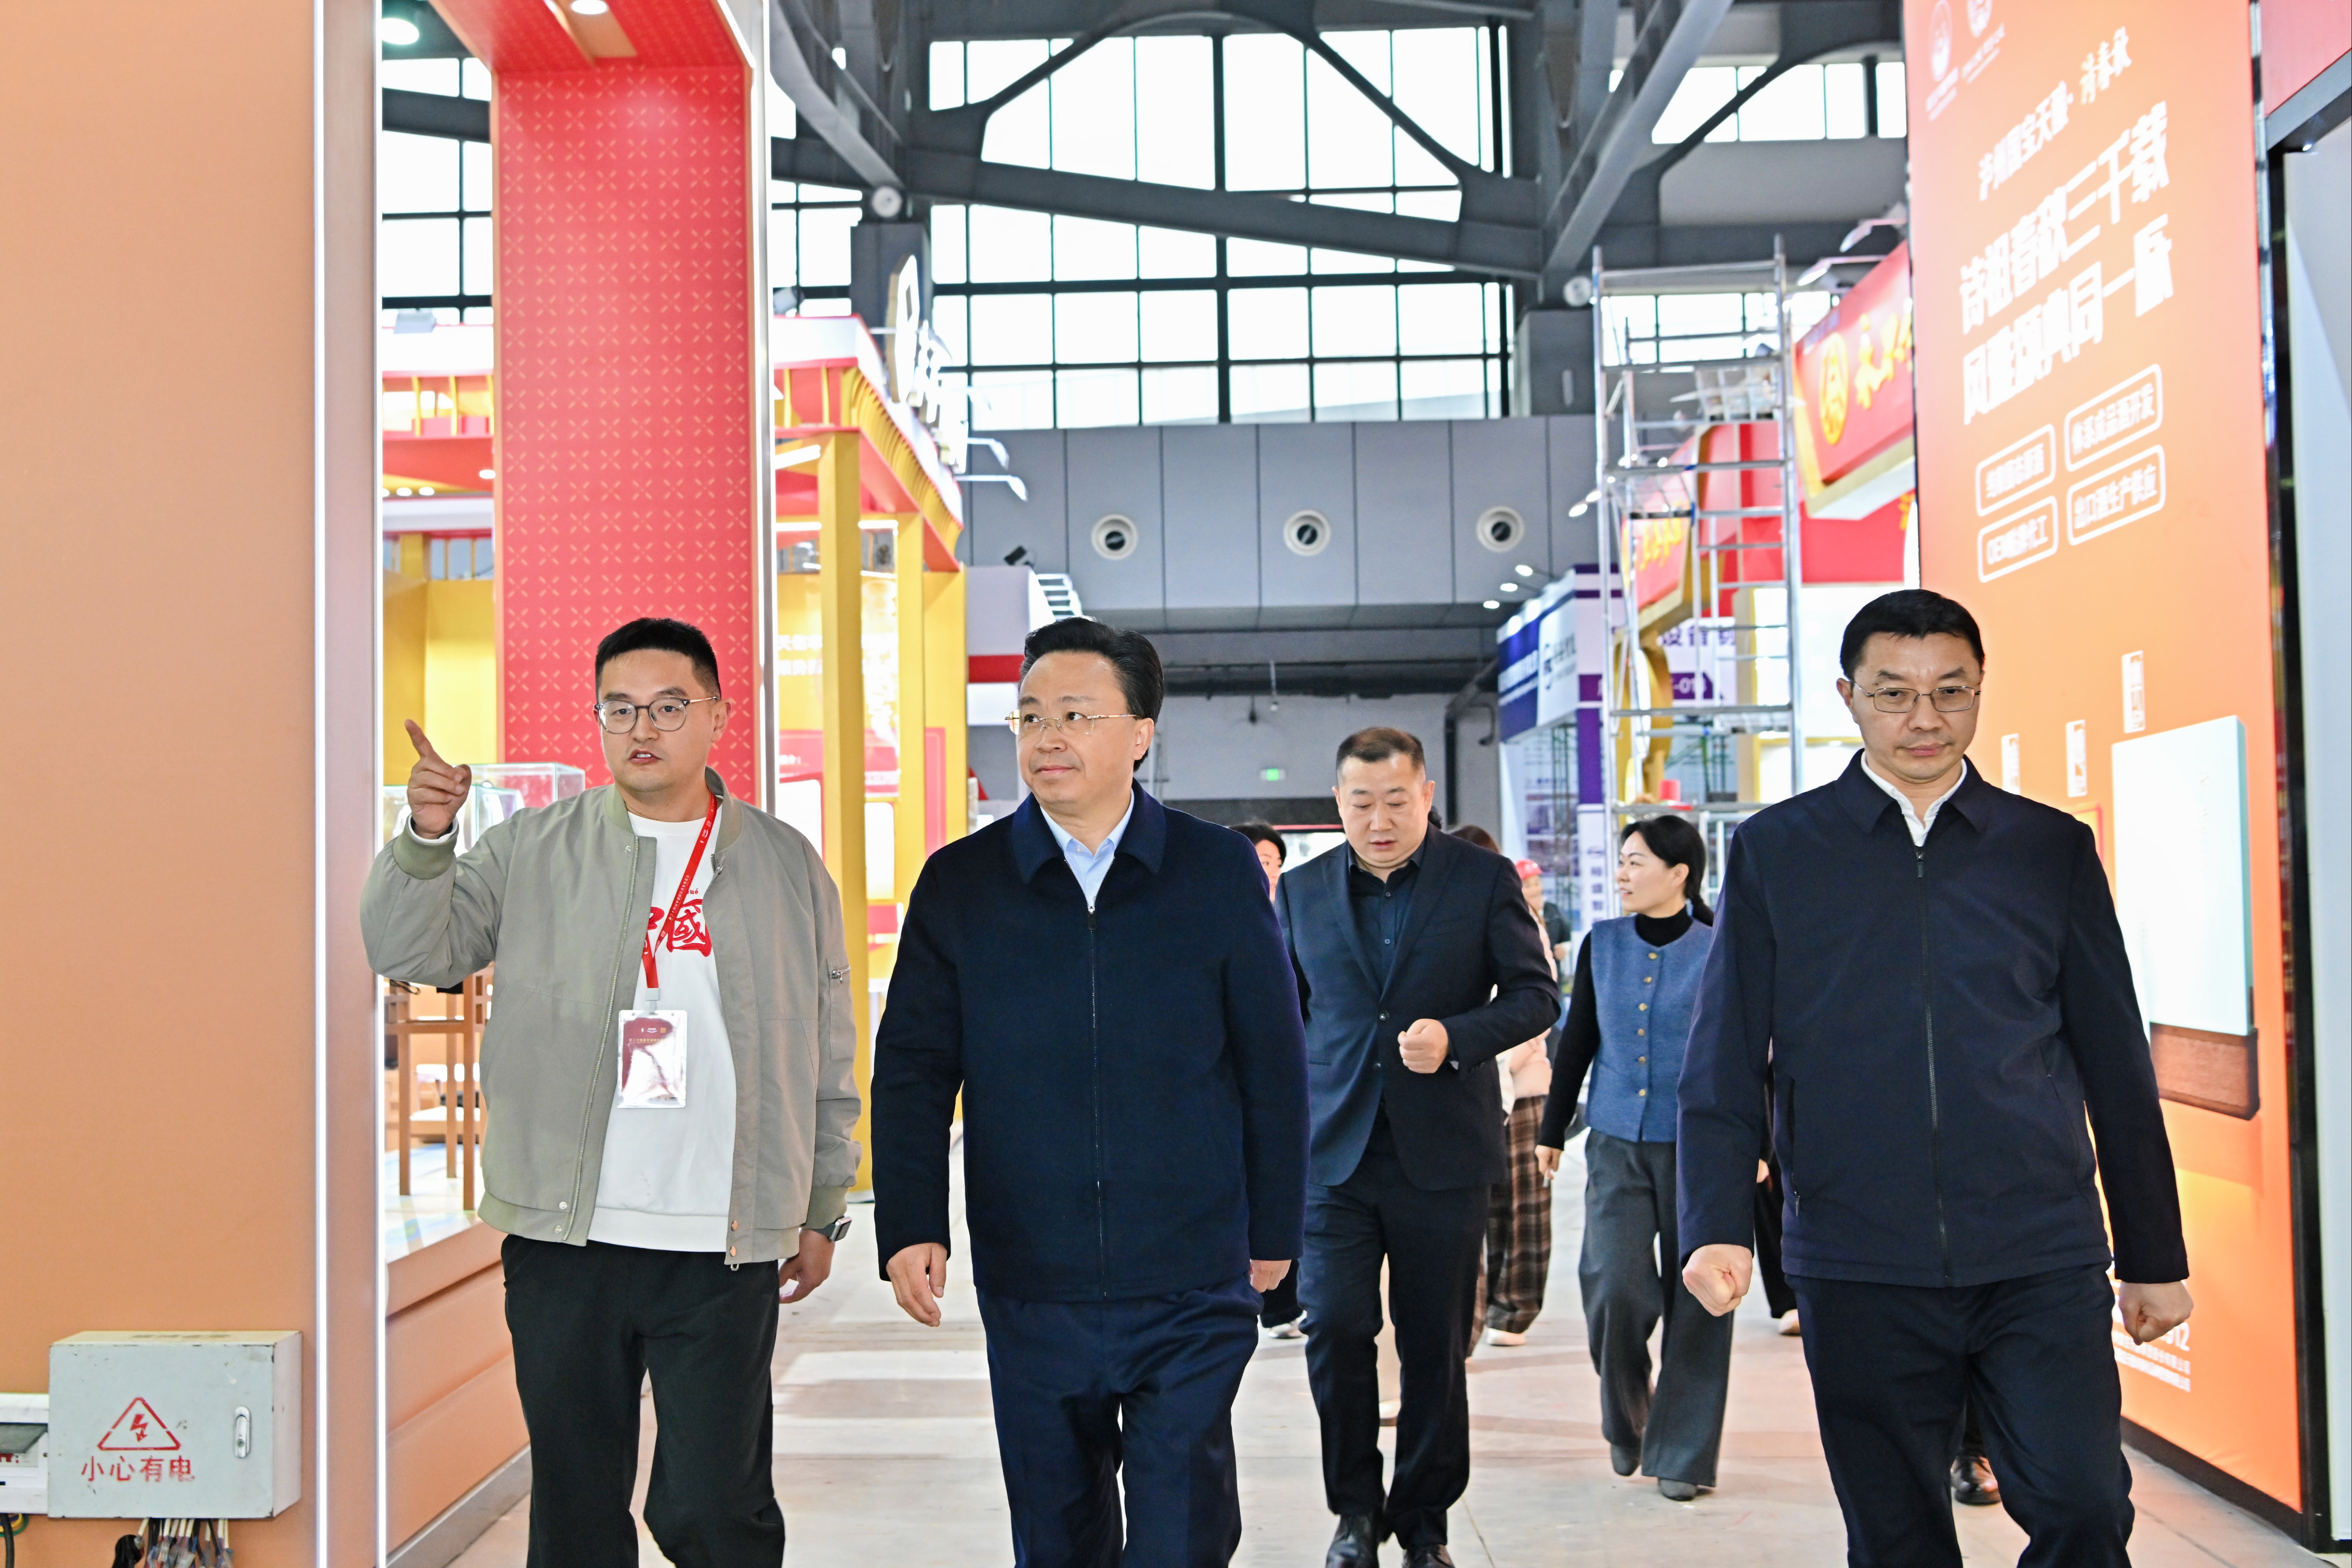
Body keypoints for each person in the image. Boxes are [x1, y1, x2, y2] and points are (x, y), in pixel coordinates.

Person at [1677, 589, 2192, 1568]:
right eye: (1894, 693)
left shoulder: (2046, 849)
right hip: (1855, 1256)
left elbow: (2114, 1059)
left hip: (2037, 1248)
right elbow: (1724, 1056)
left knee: (2083, 1504)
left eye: (1950, 691)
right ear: (1848, 697)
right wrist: (1712, 1221)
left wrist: (2152, 1250)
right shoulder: (1780, 852)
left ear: (1979, 689)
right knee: (1896, 1538)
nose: (1924, 718)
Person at [362, 617, 860, 1568]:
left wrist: (821, 1199)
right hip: (567, 1239)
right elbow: (412, 949)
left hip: (722, 1240)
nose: (643, 728)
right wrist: (427, 839)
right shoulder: (532, 846)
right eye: (620, 708)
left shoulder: (784, 861)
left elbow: (826, 1042)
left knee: (718, 1511)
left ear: (717, 716)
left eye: (669, 706)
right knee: (577, 1513)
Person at [870, 617, 1309, 1567]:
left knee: (1182, 1531)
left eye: (1075, 714)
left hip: (1192, 1272)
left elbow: (1272, 1062)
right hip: (1034, 1276)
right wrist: (909, 1220)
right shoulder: (962, 884)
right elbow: (912, 1067)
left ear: (1140, 732)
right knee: (1056, 1534)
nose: (1047, 737)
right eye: (1030, 716)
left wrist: (1277, 1228)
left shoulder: (1214, 870)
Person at [1277, 731, 1559, 1568]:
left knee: (1434, 1342)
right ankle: (1354, 1513)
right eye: (1361, 802)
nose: (1379, 819)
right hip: (1333, 1153)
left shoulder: (1481, 880)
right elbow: (1280, 1014)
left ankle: (1425, 1522)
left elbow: (1536, 994)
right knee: (1335, 1328)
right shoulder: (1300, 892)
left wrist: (1458, 1037)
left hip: (1442, 1153)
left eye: (1396, 800)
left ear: (1426, 797)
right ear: (1338, 804)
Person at [1535, 816, 1728, 1502]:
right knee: (1614, 1286)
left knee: (1699, 1301)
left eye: (1635, 861)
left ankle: (1683, 1453)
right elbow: (1578, 1040)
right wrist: (1552, 1129)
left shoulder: (1719, 948)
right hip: (1616, 1140)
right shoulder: (1604, 943)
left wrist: (1760, 1146)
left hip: (1700, 1149)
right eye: (1621, 861)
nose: (1622, 873)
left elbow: (1746, 1055)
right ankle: (1628, 1418)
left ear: (1679, 873)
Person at [1236, 820, 1308, 1342]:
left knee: (1282, 1185)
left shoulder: (1295, 918)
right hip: (1227, 1093)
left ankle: (1282, 1304)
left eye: (1276, 863)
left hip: (1288, 1080)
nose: (1271, 873)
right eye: (1262, 862)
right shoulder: (1213, 921)